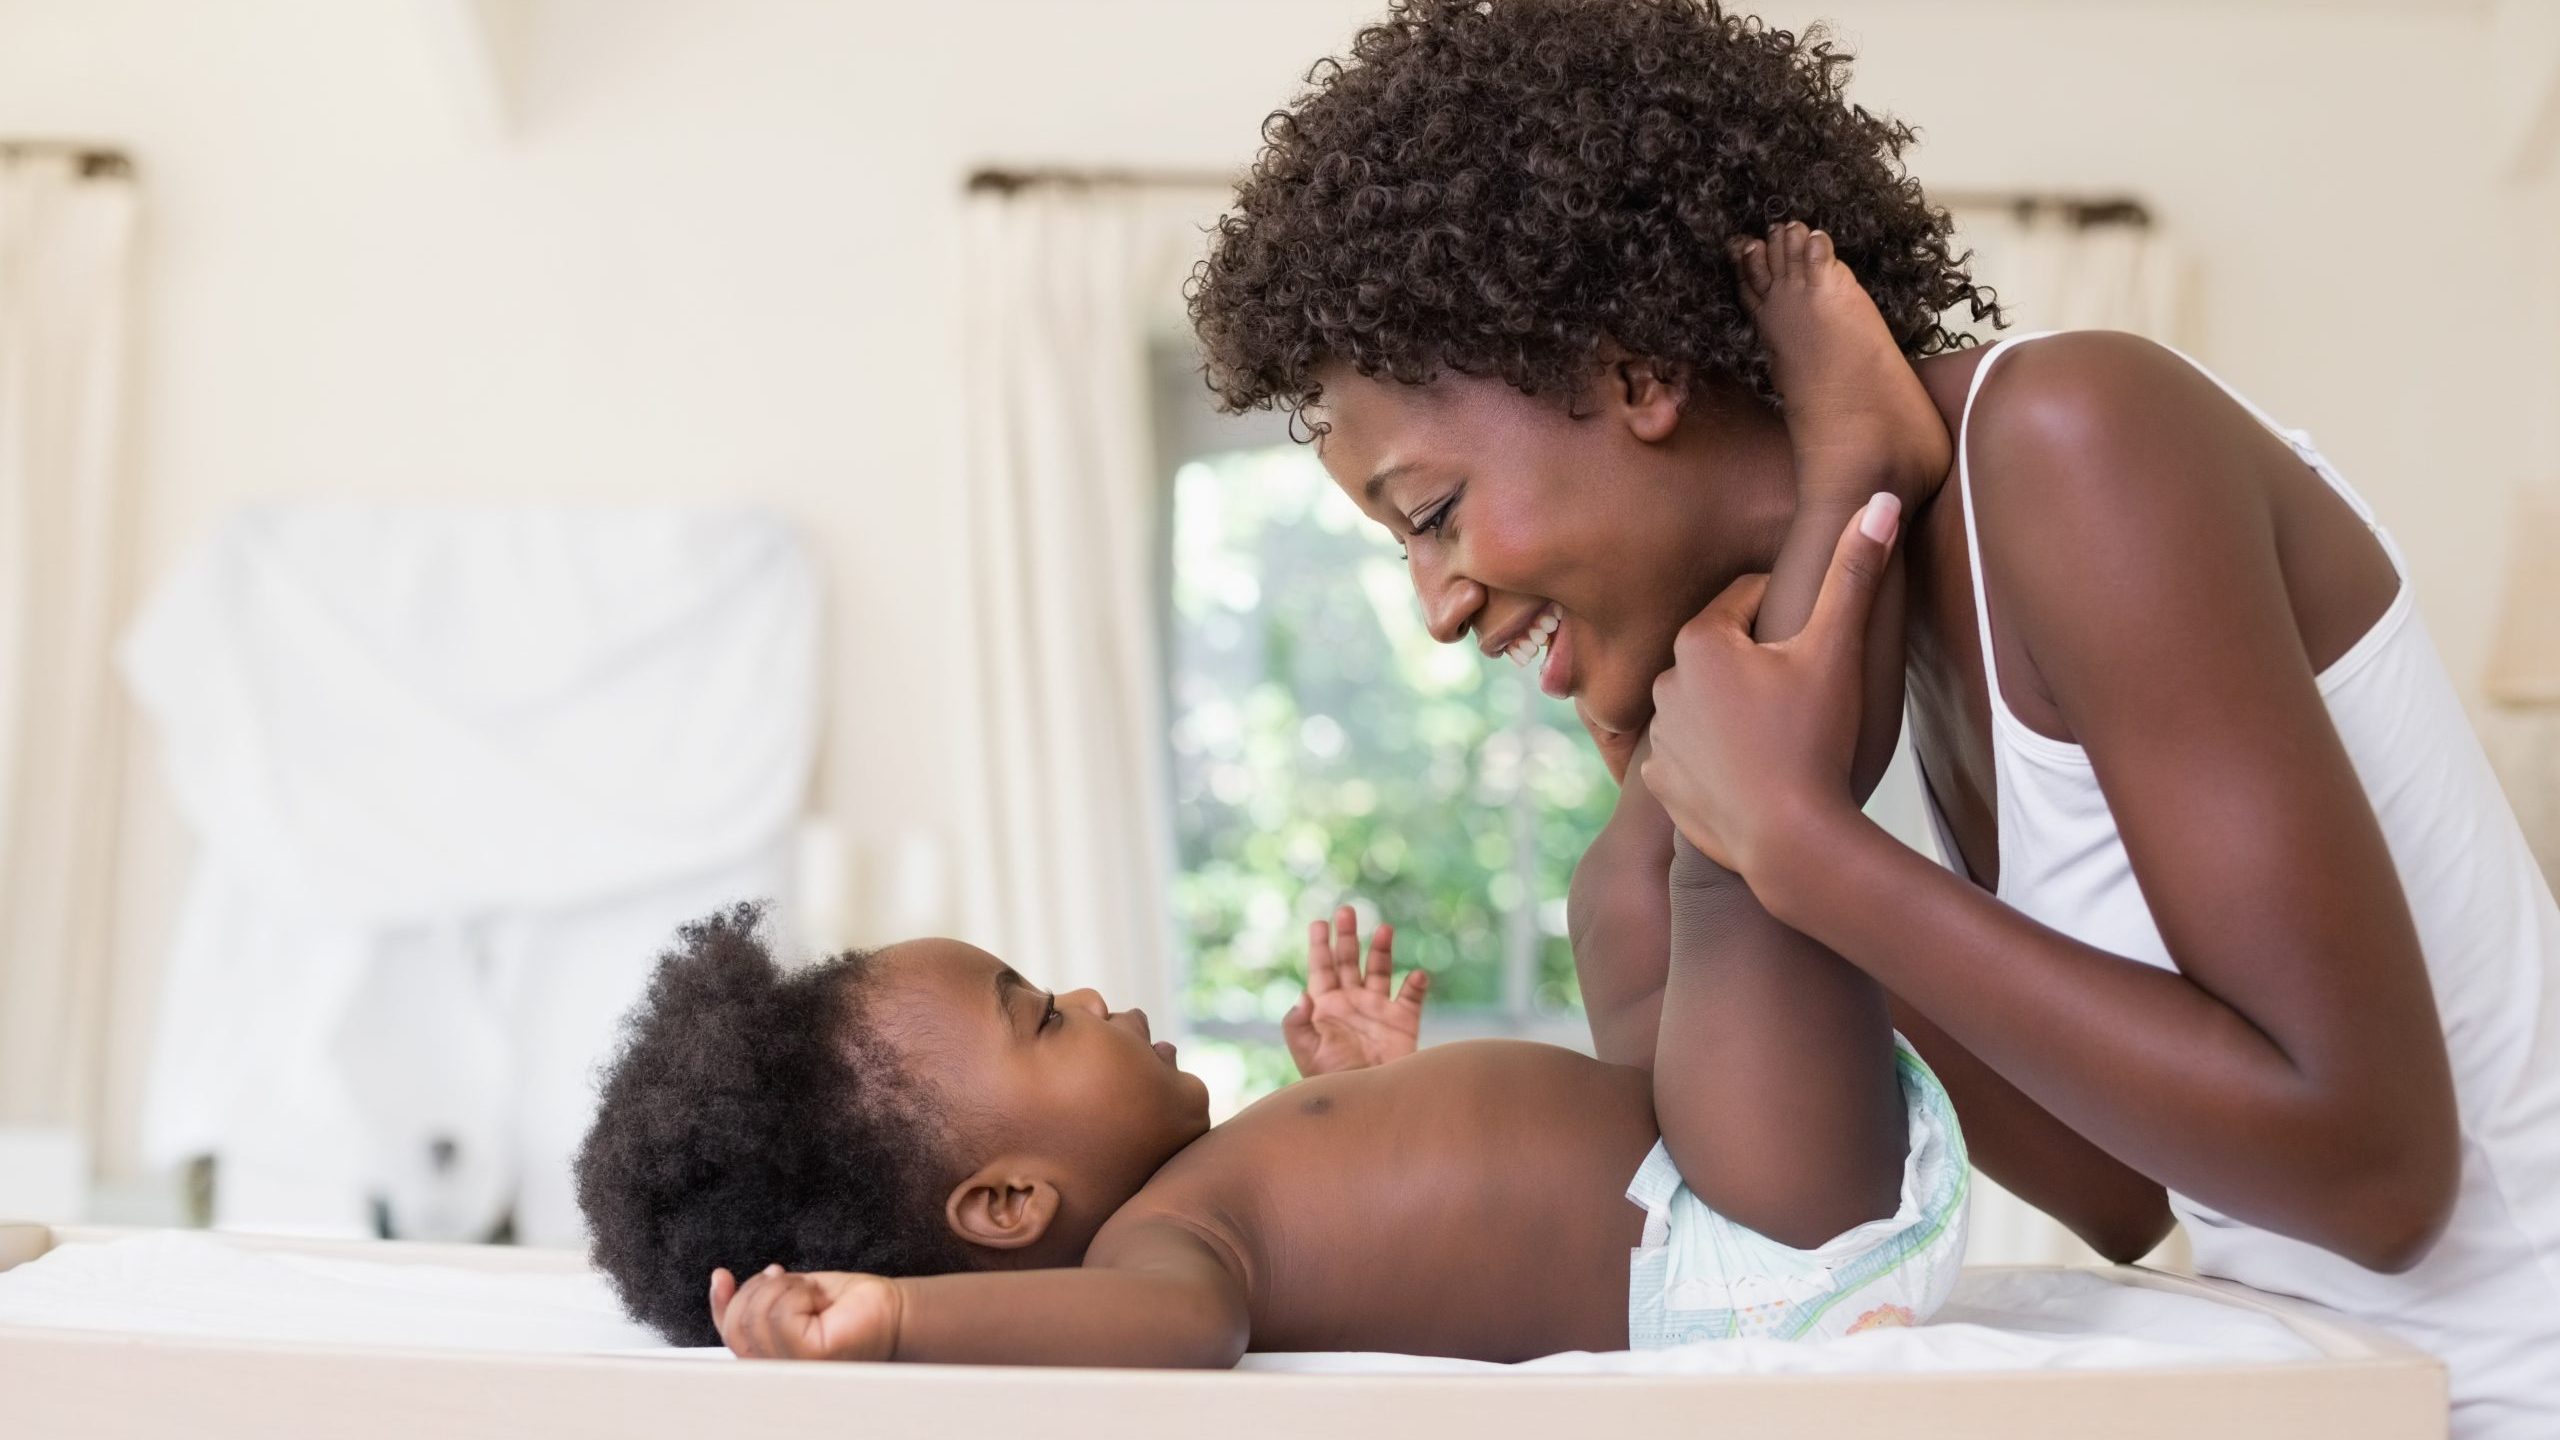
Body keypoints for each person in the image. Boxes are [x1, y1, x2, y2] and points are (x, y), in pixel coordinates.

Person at [1185, 2, 2560, 1433]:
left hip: (2514, 1388)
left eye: (1435, 515)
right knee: (1632, 899)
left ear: (1632, 374)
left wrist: (1806, 850)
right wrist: (1754, 846)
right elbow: (2118, 1193)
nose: (1437, 608)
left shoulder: (2074, 443)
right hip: (2335, 1388)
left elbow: (2378, 1178)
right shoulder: (1896, 624)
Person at [575, 888, 1964, 1363]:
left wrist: (1368, 1081)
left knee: (1619, 894)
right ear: (1006, 1208)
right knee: (1724, 851)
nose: (1088, 993)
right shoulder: (1165, 1254)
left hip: (1717, 1167)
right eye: (1041, 1017)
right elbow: (1190, 1335)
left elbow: (1435, 1209)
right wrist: (891, 1321)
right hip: (1759, 1248)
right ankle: (1831, 519)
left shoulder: (1218, 1181)